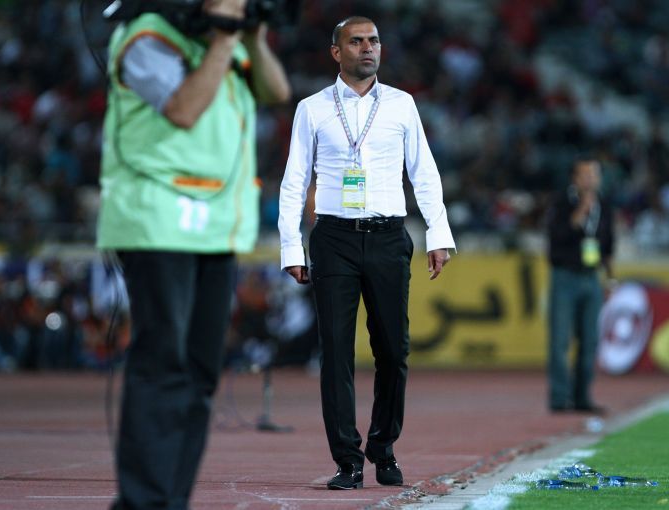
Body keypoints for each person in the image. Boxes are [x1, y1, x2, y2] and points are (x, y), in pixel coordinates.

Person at [96, 1, 290, 508]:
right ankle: (142, 503)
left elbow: (276, 91)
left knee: (201, 372)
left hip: (215, 227)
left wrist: (251, 36)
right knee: (163, 363)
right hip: (158, 219)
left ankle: (170, 500)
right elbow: (183, 109)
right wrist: (225, 39)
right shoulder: (147, 36)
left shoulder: (221, 43)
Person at [277, 16, 455, 490]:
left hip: (388, 236)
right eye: (356, 42)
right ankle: (347, 460)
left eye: (373, 40)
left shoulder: (402, 104)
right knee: (335, 353)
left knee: (393, 350)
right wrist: (291, 244)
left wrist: (438, 233)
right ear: (337, 52)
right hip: (333, 238)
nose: (367, 48)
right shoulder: (312, 108)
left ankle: (383, 446)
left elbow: (424, 172)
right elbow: (295, 180)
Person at [545, 156, 614, 414]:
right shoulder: (561, 202)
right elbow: (556, 235)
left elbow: (608, 243)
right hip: (565, 276)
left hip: (591, 277)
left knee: (590, 340)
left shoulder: (604, 205)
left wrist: (610, 276)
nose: (590, 180)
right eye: (585, 175)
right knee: (560, 339)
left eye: (594, 174)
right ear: (574, 178)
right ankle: (559, 397)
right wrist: (580, 211)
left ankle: (583, 396)